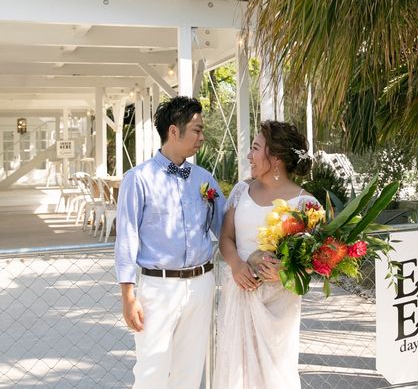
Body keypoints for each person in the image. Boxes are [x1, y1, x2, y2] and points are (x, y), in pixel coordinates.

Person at [114, 95, 225, 389]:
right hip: (158, 288)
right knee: (150, 372)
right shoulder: (138, 179)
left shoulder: (204, 179)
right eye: (197, 130)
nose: (202, 137)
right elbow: (127, 237)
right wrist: (128, 297)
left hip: (201, 285)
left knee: (190, 372)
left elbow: (226, 226)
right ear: (174, 131)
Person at [214, 120, 316, 389]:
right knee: (235, 373)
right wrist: (236, 265)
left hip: (278, 301)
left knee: (275, 375)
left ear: (277, 157)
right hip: (239, 292)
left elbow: (316, 262)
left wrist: (285, 271)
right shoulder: (241, 191)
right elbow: (226, 238)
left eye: (256, 148)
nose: (249, 155)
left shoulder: (306, 204)